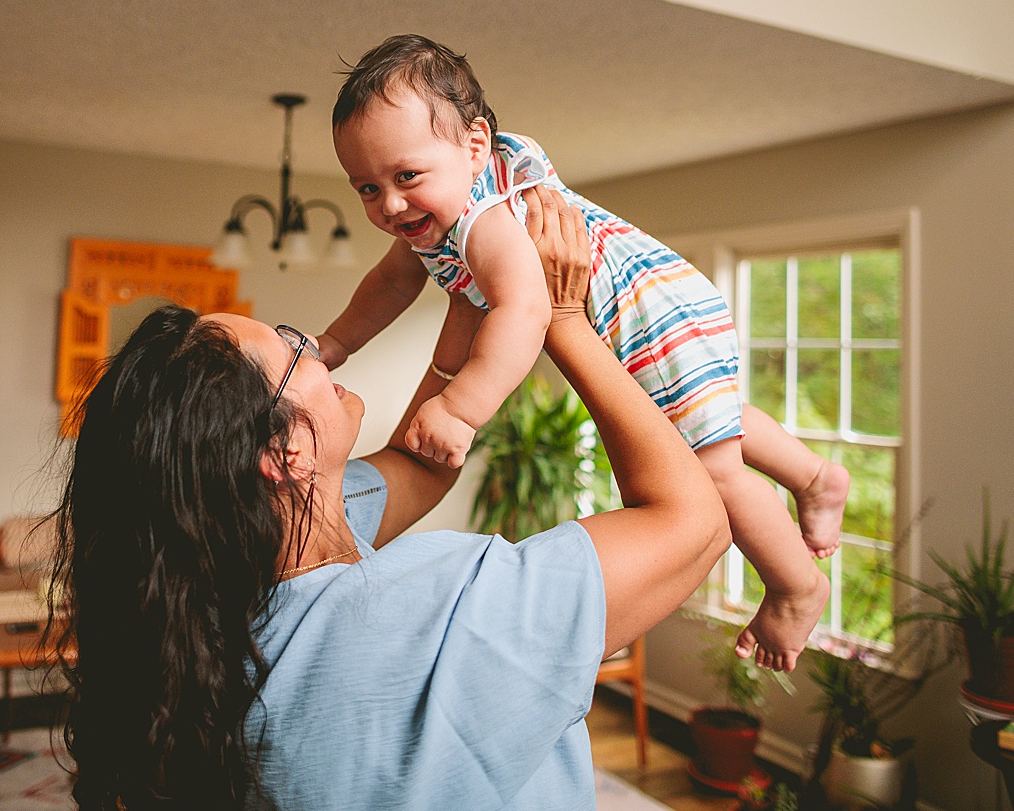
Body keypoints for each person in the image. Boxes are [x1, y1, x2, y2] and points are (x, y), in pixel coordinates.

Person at [46, 187, 730, 811]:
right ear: (284, 455)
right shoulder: (446, 607)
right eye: (290, 348)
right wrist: (563, 319)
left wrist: (464, 323)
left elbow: (416, 468)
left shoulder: (225, 592)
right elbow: (693, 524)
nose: (313, 348)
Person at [319, 34, 845, 671]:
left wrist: (461, 408)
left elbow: (526, 312)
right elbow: (390, 283)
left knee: (712, 466)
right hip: (661, 301)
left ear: (475, 145)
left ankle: (796, 584)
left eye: (405, 176)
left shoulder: (487, 219)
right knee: (706, 422)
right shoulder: (439, 215)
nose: (390, 204)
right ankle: (814, 476)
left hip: (647, 313)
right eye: (367, 189)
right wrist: (338, 340)